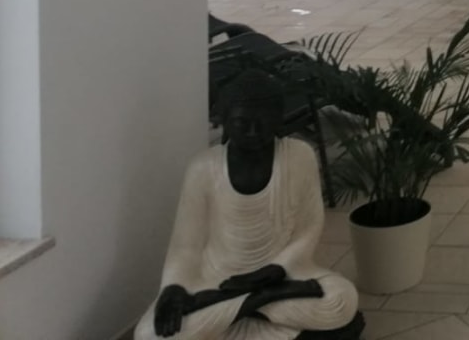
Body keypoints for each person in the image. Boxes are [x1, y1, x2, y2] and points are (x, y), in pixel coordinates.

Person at [134, 69, 362, 340]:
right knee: (148, 335)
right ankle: (258, 301)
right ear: (224, 120)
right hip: (218, 280)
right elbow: (186, 246)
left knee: (341, 299)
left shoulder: (299, 156)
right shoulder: (203, 168)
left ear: (277, 119)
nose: (253, 132)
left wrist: (276, 269)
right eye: (242, 123)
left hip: (280, 275)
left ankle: (242, 304)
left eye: (262, 123)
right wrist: (173, 288)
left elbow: (308, 228)